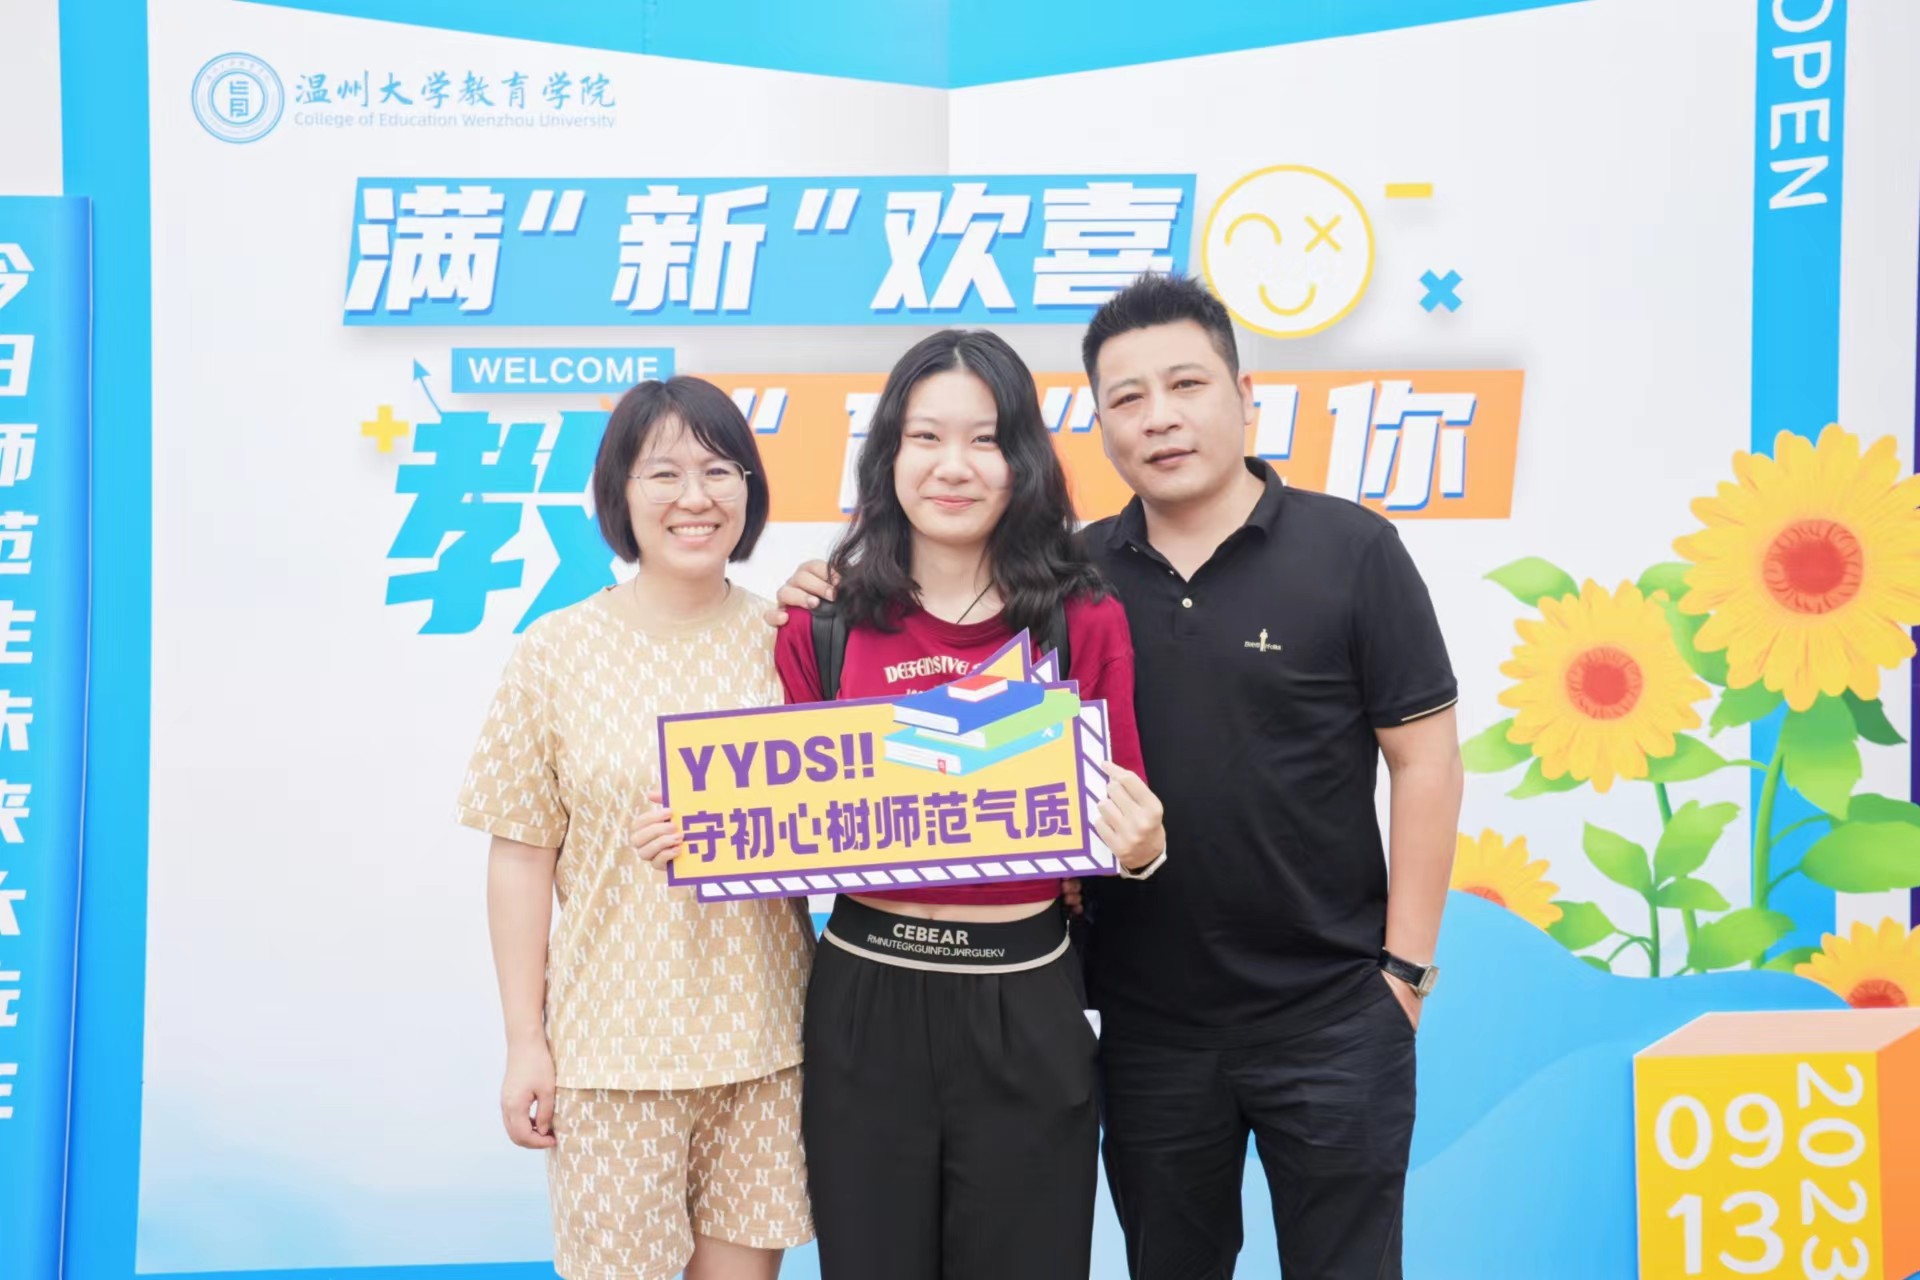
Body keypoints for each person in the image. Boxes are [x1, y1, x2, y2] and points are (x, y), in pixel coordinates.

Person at [773, 276, 1464, 1280]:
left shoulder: (1344, 551)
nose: (1159, 416)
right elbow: (815, 797)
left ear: (1243, 394)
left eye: (1186, 384)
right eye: (1127, 397)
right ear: (1097, 425)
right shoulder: (1074, 577)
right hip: (1143, 1020)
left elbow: (1426, 758)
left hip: (1329, 1011)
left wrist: (1403, 975)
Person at [772, 329, 1169, 1280]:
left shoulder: (1083, 619)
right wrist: (704, 831)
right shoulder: (820, 624)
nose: (953, 466)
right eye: (925, 438)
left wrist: (1143, 847)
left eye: (985, 440)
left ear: (1023, 460)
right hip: (863, 997)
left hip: (1026, 994)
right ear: (888, 455)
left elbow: (1122, 820)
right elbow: (783, 822)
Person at [458, 377, 817, 1280]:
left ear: (749, 489)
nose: (695, 496)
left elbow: (851, 817)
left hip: (768, 1046)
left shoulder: (793, 639)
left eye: (719, 470)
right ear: (620, 492)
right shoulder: (556, 651)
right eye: (664, 473)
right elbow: (520, 856)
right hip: (612, 1054)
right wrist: (525, 1040)